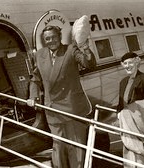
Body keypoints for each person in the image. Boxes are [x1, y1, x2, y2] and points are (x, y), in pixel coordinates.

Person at [27, 25, 96, 168]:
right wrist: (33, 96)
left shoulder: (70, 50)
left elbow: (88, 64)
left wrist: (86, 48)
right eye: (47, 38)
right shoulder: (40, 55)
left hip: (72, 108)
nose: (51, 40)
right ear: (44, 40)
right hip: (52, 109)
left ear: (59, 37)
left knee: (76, 148)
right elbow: (35, 78)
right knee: (58, 148)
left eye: (54, 37)